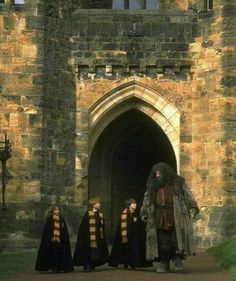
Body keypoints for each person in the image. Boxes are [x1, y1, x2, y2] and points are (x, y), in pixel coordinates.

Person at [140, 162, 199, 273]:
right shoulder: (152, 185)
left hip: (175, 215)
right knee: (162, 242)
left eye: (159, 173)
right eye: (156, 173)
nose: (157, 175)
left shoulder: (177, 183)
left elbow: (187, 195)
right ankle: (164, 263)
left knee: (176, 239)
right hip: (158, 216)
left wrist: (192, 206)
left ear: (165, 172)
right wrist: (144, 212)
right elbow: (147, 200)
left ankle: (177, 259)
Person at [109, 198, 152, 270]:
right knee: (125, 250)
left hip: (135, 237)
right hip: (126, 237)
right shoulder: (124, 214)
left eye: (135, 203)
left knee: (134, 250)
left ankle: (133, 264)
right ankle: (126, 263)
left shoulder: (136, 214)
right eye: (133, 203)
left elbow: (140, 225)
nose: (135, 205)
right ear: (129, 205)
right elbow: (120, 227)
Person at [73, 197, 109, 272]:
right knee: (88, 251)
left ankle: (93, 264)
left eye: (99, 203)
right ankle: (87, 265)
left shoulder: (100, 214)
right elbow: (84, 227)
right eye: (98, 203)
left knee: (96, 252)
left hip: (97, 237)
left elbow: (101, 225)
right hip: (89, 237)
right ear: (93, 205)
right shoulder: (88, 214)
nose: (99, 204)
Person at [35, 205, 73, 273]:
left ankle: (60, 267)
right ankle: (54, 268)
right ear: (52, 211)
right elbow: (48, 230)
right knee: (53, 254)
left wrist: (64, 238)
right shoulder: (50, 219)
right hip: (52, 240)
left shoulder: (61, 219)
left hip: (60, 240)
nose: (57, 211)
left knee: (60, 254)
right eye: (55, 209)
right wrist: (51, 237)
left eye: (58, 209)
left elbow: (64, 230)